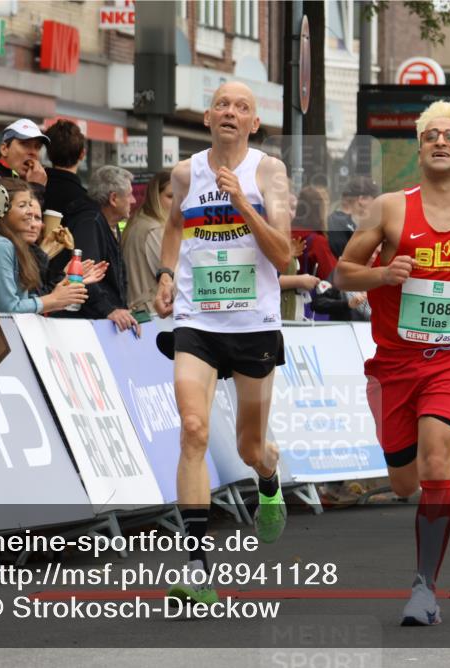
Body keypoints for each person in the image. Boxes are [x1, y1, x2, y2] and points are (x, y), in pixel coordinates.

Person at [334, 101, 450, 626]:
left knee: (438, 465)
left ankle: (424, 588)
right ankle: (434, 430)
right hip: (395, 363)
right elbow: (344, 274)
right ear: (419, 149)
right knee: (403, 483)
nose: (440, 141)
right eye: (430, 134)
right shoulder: (390, 209)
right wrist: (383, 274)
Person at [153, 81, 292, 605]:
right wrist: (167, 273)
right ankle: (195, 567)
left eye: (243, 107)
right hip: (197, 322)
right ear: (208, 116)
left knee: (248, 447)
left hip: (253, 324)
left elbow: (284, 257)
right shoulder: (186, 173)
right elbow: (172, 226)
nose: (232, 112)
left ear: (254, 123)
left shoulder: (268, 172)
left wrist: (242, 203)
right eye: (224, 104)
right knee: (193, 429)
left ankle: (269, 475)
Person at [0, 179, 87, 314]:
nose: (30, 211)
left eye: (30, 204)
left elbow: (24, 299)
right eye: (22, 205)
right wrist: (53, 299)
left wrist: (59, 295)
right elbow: (8, 308)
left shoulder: (13, 247)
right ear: (2, 210)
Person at [60, 165, 140, 331]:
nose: (133, 200)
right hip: (84, 325)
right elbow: (87, 274)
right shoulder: (90, 222)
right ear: (113, 199)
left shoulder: (106, 222)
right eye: (129, 194)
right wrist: (109, 310)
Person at [121, 170, 172, 314]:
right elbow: (173, 276)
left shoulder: (139, 222)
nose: (178, 202)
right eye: (170, 196)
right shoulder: (155, 229)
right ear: (155, 196)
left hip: (141, 311)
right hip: (154, 313)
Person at [0, 119, 50, 205]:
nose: (33, 152)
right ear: (4, 149)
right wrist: (36, 188)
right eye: (25, 144)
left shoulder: (34, 179)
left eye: (38, 147)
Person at [292, 186, 337, 281]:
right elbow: (331, 274)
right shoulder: (317, 241)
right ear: (320, 210)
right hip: (307, 294)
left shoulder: (285, 234)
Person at [327, 175, 378, 258]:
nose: (376, 205)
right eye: (374, 199)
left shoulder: (334, 220)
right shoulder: (345, 226)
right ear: (362, 199)